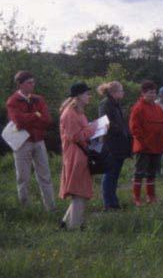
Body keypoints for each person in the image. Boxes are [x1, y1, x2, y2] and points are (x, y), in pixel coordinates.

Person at [6, 71, 56, 211]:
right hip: (22, 143)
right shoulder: (13, 101)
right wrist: (36, 115)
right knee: (23, 177)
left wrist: (31, 118)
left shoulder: (38, 99)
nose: (32, 85)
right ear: (20, 84)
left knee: (45, 176)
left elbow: (47, 120)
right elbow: (18, 121)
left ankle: (50, 208)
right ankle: (25, 209)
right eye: (29, 83)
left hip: (39, 141)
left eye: (33, 82)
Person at [59, 82, 97, 229]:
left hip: (80, 153)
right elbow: (75, 136)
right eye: (87, 93)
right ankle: (74, 227)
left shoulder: (78, 111)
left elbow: (81, 131)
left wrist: (91, 128)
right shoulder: (69, 113)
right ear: (78, 96)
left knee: (81, 191)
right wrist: (93, 128)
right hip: (75, 155)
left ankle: (66, 223)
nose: (89, 96)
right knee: (79, 192)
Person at [129, 80, 163, 206]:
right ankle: (136, 198)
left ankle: (151, 196)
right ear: (143, 93)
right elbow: (135, 128)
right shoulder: (138, 108)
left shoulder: (158, 108)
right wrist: (144, 143)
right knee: (139, 173)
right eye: (150, 92)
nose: (153, 95)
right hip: (143, 147)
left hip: (156, 147)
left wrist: (162, 143)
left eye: (154, 92)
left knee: (152, 173)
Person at [97, 81, 131, 211]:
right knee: (110, 174)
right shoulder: (105, 104)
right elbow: (106, 123)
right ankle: (109, 204)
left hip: (119, 145)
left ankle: (113, 202)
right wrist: (121, 129)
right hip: (111, 145)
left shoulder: (115, 104)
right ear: (114, 92)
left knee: (115, 175)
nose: (123, 92)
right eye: (121, 90)